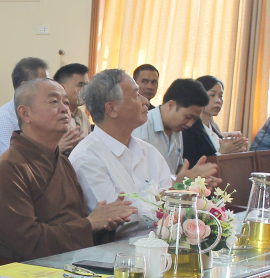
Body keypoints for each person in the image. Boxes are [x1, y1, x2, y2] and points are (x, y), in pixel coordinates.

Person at [0, 78, 136, 261]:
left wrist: (104, 223)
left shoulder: (62, 162)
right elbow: (28, 243)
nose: (65, 109)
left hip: (74, 260)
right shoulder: (7, 169)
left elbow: (78, 223)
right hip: (32, 272)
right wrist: (90, 224)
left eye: (66, 102)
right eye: (54, 101)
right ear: (25, 113)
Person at [70, 69, 219, 237]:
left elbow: (171, 209)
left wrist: (186, 190)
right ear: (111, 109)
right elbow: (118, 220)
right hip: (120, 249)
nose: (145, 101)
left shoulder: (148, 151)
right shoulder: (87, 157)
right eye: (136, 95)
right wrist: (175, 189)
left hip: (163, 241)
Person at [132, 78, 213, 173]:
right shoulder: (141, 126)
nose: (190, 124)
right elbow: (138, 173)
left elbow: (176, 169)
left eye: (195, 119)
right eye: (188, 117)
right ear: (171, 105)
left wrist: (193, 177)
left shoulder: (177, 129)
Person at [0, 57, 49, 168]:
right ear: (24, 87)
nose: (49, 88)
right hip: (10, 175)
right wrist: (53, 150)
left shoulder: (40, 114)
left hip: (37, 171)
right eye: (43, 84)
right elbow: (14, 161)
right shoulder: (5, 118)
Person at [183, 75, 248, 164]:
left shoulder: (214, 126)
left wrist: (233, 151)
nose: (218, 100)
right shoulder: (189, 128)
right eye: (212, 95)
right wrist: (221, 153)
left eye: (221, 96)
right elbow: (191, 165)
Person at [53, 63, 91, 143]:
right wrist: (58, 148)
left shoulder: (83, 116)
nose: (86, 90)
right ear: (62, 88)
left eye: (87, 86)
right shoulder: (52, 116)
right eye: (81, 85)